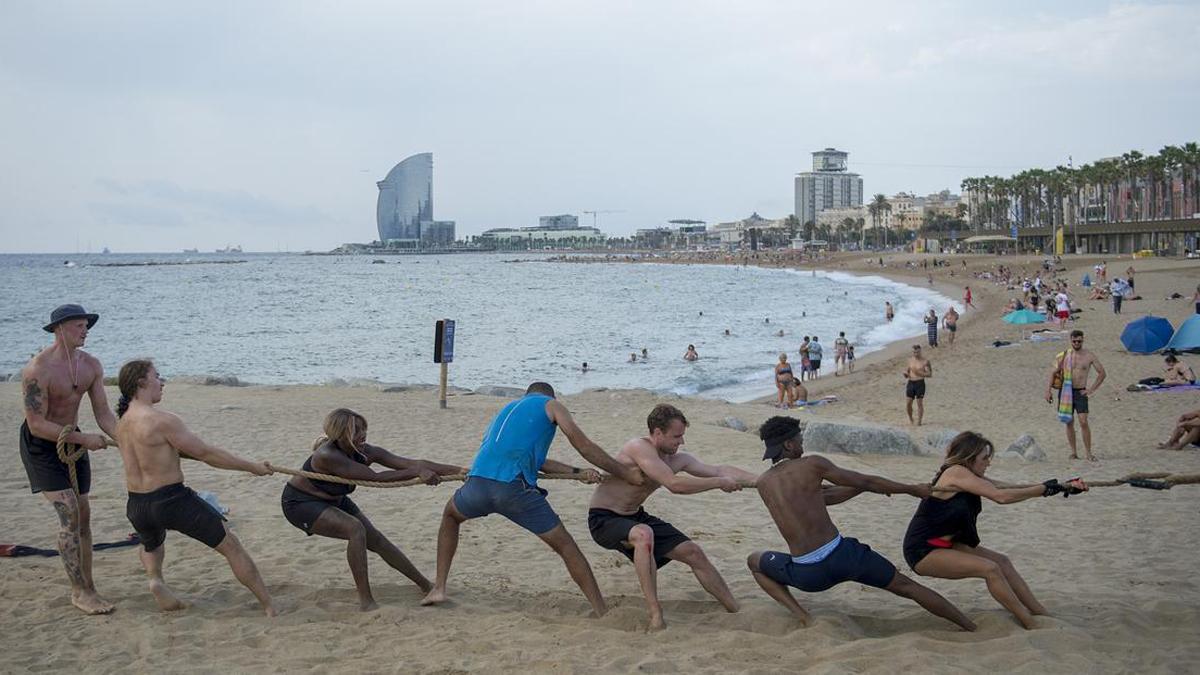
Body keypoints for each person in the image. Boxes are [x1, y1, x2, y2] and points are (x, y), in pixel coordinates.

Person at [421, 382, 644, 614]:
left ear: (527, 395)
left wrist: (577, 473)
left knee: (450, 516)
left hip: (477, 484)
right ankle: (600, 609)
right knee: (566, 546)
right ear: (550, 395)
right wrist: (625, 472)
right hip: (513, 489)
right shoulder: (551, 405)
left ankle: (439, 587)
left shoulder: (508, 409)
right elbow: (585, 446)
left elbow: (537, 462)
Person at [746, 417, 975, 631]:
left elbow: (827, 498)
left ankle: (802, 615)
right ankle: (969, 626)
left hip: (807, 574)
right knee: (907, 587)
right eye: (799, 440)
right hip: (845, 558)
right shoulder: (812, 464)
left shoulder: (764, 483)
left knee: (755, 561)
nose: (802, 444)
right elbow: (866, 480)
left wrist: (865, 487)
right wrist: (911, 489)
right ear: (788, 444)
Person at [113, 359, 276, 616]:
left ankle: (155, 580)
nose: (162, 382)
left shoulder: (121, 424)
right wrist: (252, 467)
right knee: (231, 545)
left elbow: (154, 453)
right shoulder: (161, 420)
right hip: (172, 501)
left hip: (137, 505)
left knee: (152, 543)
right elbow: (206, 454)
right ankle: (269, 605)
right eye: (157, 376)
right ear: (141, 383)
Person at [587, 404, 756, 630]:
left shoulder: (678, 459)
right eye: (677, 436)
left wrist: (761, 481)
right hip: (604, 519)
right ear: (657, 433)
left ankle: (733, 607)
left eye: (682, 436)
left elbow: (718, 470)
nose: (681, 442)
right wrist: (718, 484)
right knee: (644, 535)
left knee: (693, 552)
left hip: (634, 515)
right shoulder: (638, 447)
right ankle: (656, 615)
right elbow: (675, 485)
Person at [281, 409, 463, 610]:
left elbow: (413, 463)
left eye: (364, 429)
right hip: (301, 503)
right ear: (340, 434)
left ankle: (425, 585)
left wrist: (459, 471)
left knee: (376, 539)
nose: (363, 435)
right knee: (355, 529)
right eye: (356, 431)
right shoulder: (327, 455)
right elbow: (374, 477)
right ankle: (366, 601)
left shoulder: (365, 451)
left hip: (334, 499)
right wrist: (417, 473)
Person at [903, 432, 1086, 629]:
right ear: (968, 458)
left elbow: (1008, 488)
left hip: (946, 544)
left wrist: (1060, 486)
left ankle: (1041, 613)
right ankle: (1030, 623)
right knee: (990, 569)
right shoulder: (956, 472)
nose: (988, 462)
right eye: (984, 458)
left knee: (1002, 562)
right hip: (923, 550)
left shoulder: (970, 475)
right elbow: (1001, 497)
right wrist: (1042, 490)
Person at [19, 304, 118, 615]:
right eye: (78, 325)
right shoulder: (39, 369)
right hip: (41, 445)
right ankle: (78, 592)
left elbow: (103, 414)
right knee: (69, 512)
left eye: (86, 325)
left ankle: (89, 585)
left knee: (84, 515)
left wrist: (128, 439)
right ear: (59, 329)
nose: (85, 330)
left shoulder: (90, 365)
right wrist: (82, 439)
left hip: (73, 441)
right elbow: (36, 423)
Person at [1045, 330, 1106, 461]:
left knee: (1083, 422)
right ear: (1070, 340)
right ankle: (1074, 452)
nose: (1077, 343)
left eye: (1079, 341)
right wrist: (1048, 390)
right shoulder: (1064, 355)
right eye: (1074, 341)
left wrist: (1091, 389)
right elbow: (1052, 372)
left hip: (1080, 391)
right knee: (1069, 422)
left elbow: (1102, 373)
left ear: (1083, 340)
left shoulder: (1089, 356)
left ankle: (1088, 453)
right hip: (1066, 392)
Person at [903, 345, 932, 426]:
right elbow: (907, 371)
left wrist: (919, 373)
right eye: (914, 352)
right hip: (911, 383)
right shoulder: (910, 360)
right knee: (908, 403)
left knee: (919, 403)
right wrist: (905, 374)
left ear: (920, 351)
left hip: (920, 383)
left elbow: (930, 374)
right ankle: (911, 419)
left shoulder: (925, 361)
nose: (916, 354)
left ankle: (919, 421)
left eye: (917, 352)